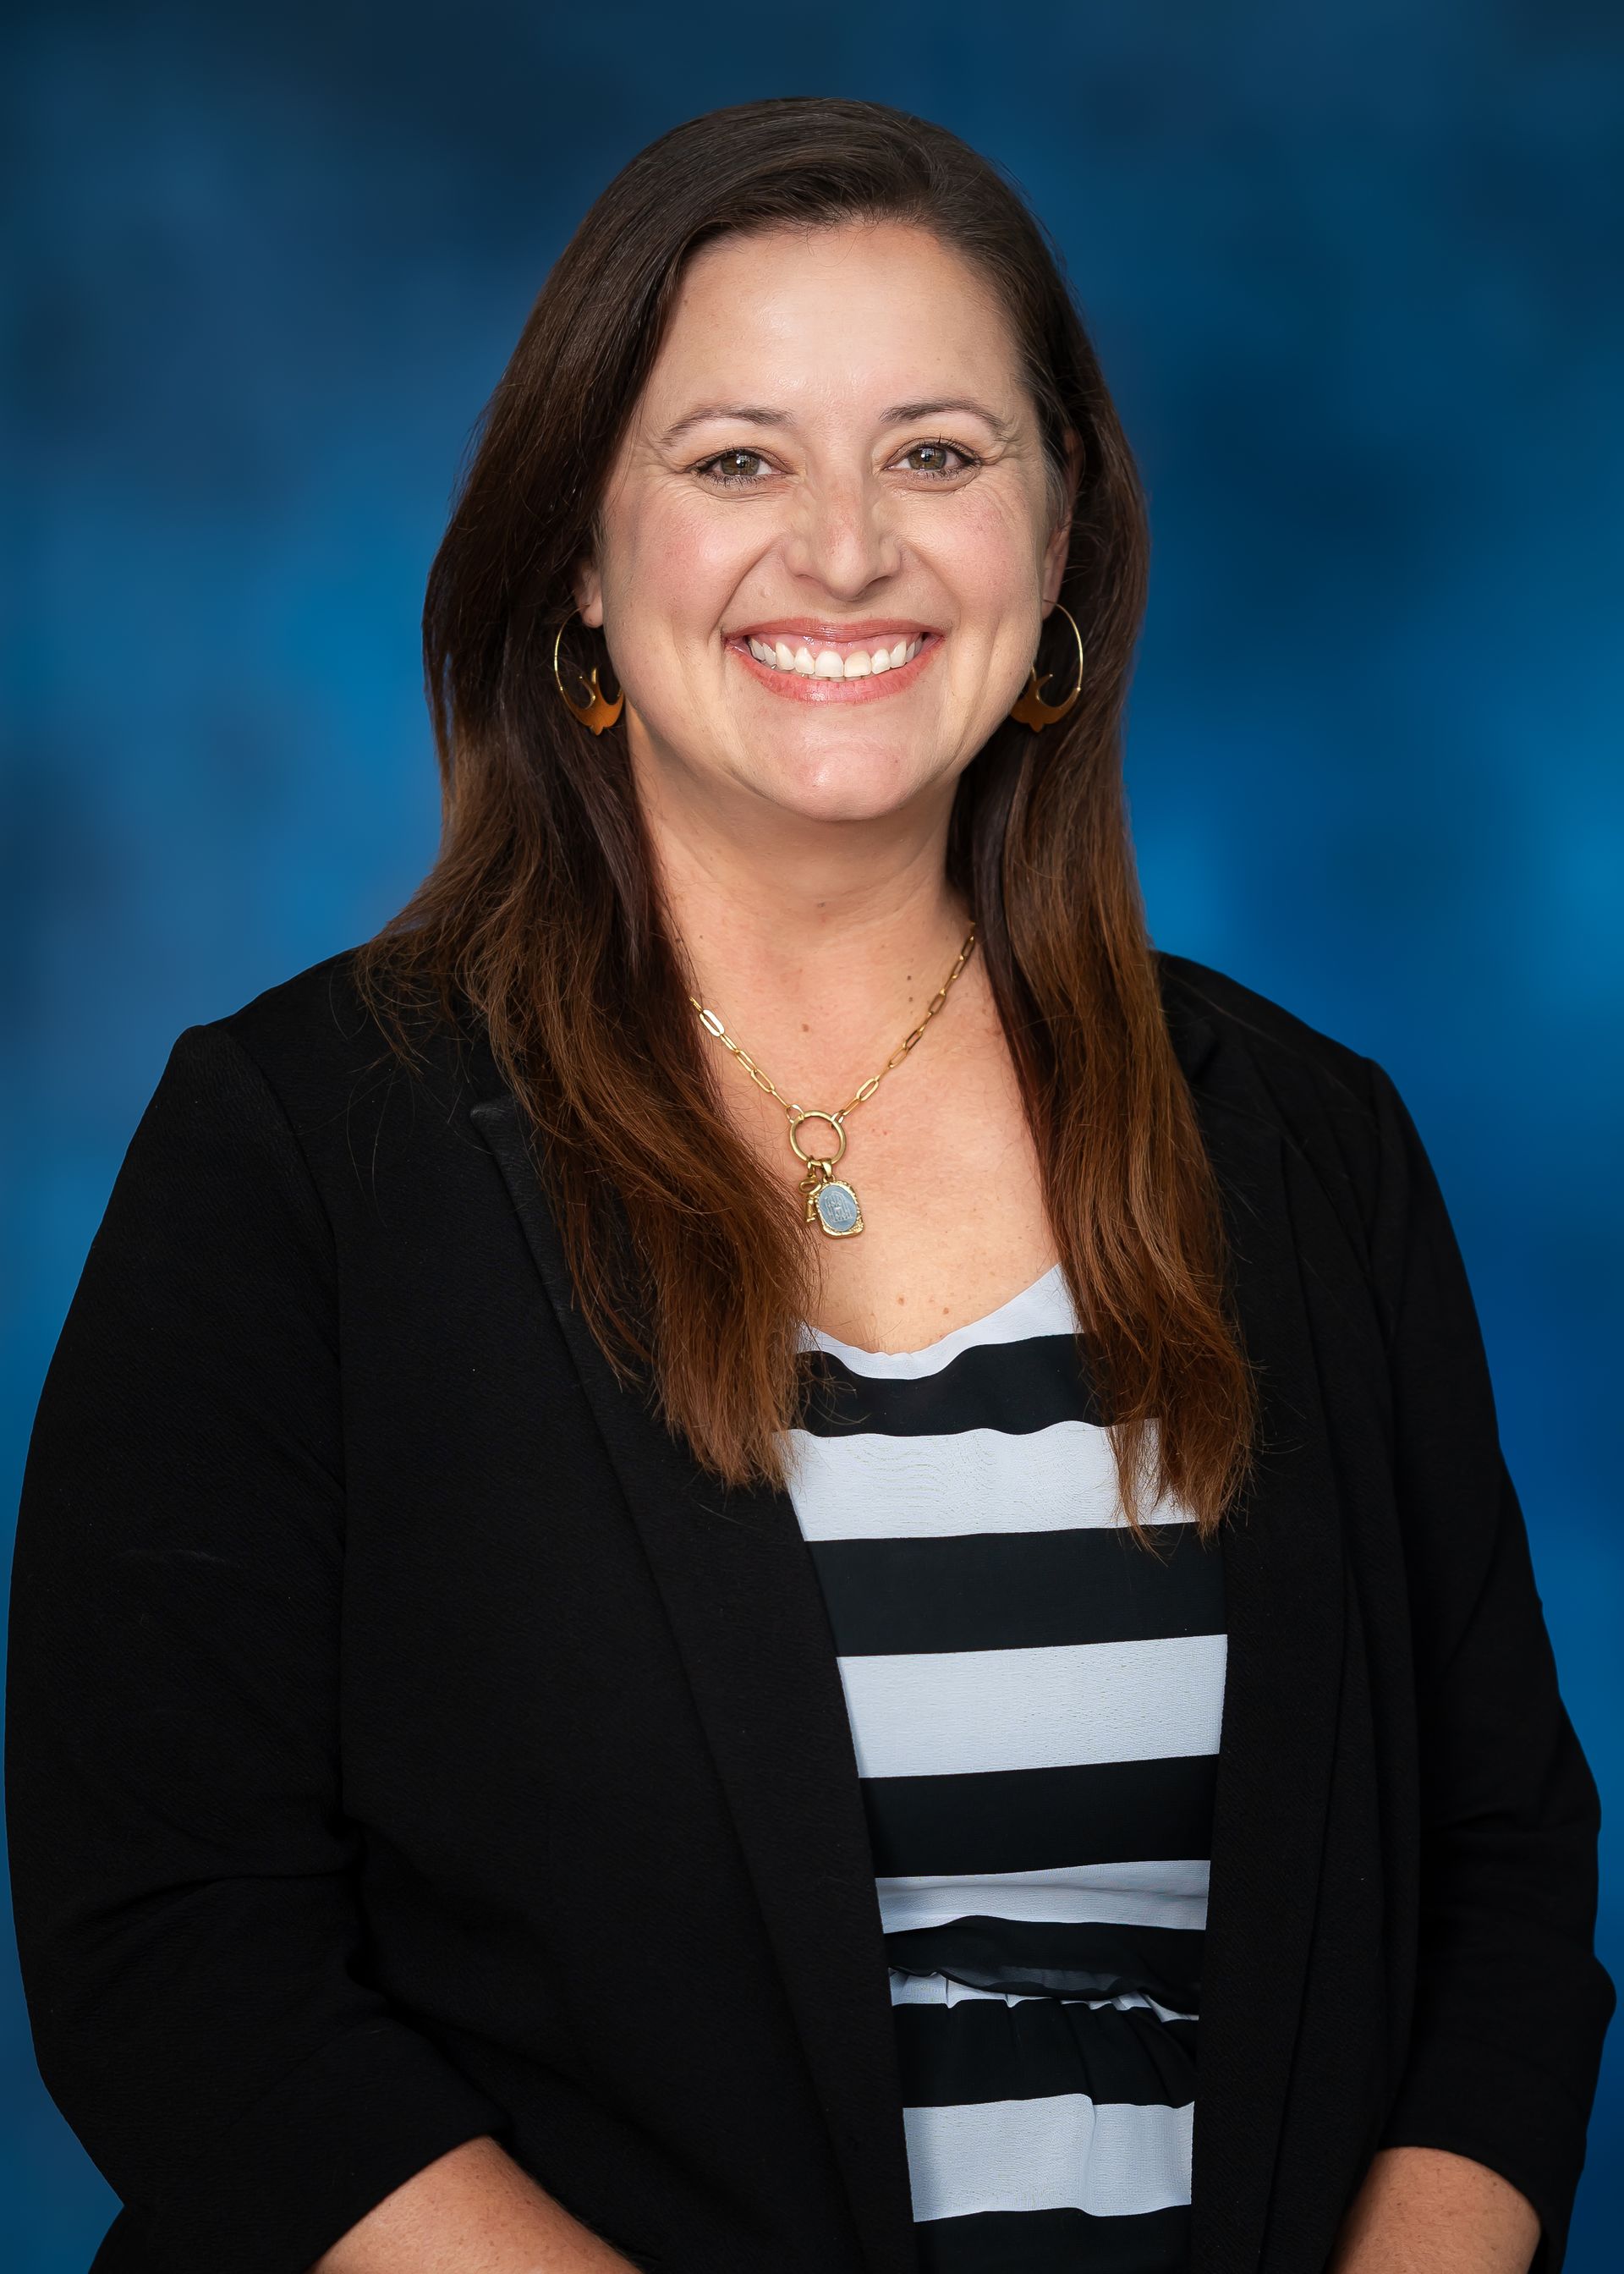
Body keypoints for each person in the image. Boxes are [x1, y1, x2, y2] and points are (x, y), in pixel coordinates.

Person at [6, 95, 1610, 2274]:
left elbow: (1501, 1880)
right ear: (580, 558)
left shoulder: (1311, 1146)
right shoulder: (305, 1146)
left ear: (1063, 554)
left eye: (938, 455)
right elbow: (178, 1951)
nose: (844, 549)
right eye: (736, 457)